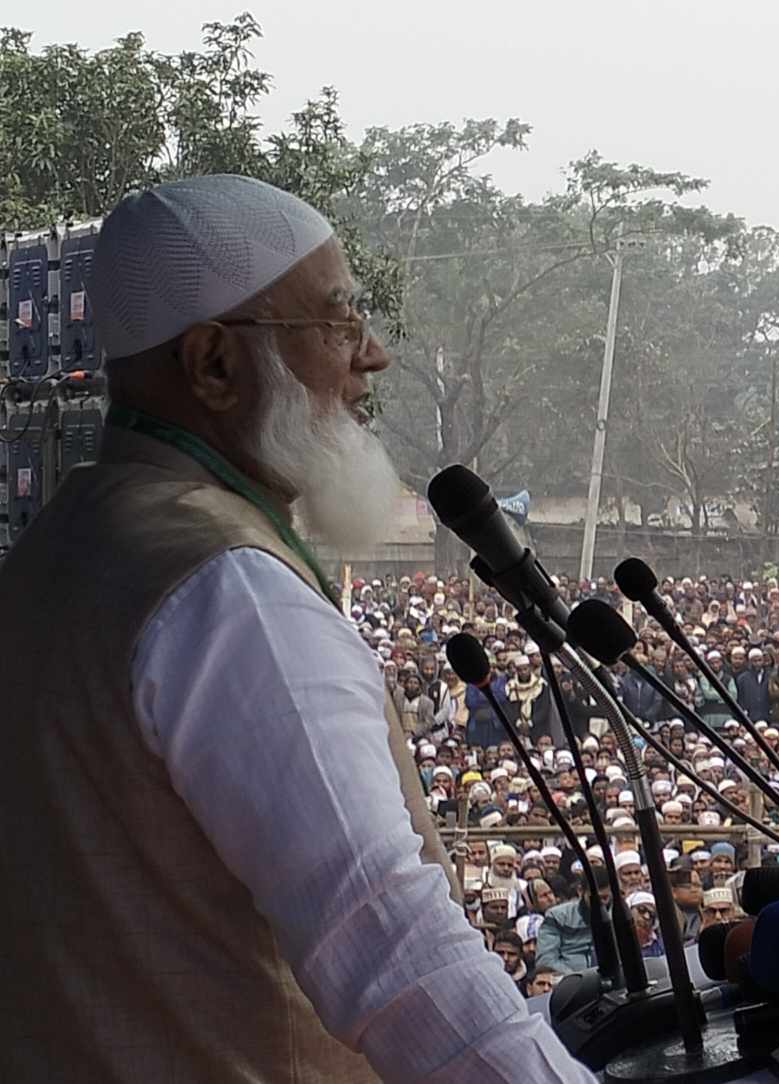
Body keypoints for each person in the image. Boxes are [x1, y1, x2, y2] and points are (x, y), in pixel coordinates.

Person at [0, 176, 590, 1082]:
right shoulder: (227, 592)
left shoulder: (58, 549)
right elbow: (397, 956)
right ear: (213, 366)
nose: (375, 356)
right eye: (340, 323)